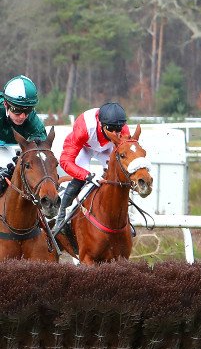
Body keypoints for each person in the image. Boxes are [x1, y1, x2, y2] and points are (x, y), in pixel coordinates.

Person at [52, 102, 131, 235]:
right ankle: (61, 218)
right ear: (101, 124)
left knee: (118, 176)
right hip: (84, 147)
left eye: (118, 129)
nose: (115, 133)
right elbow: (66, 161)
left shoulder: (123, 131)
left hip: (106, 149)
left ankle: (125, 219)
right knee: (80, 179)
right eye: (110, 129)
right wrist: (87, 175)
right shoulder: (84, 128)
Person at [0, 75, 47, 196]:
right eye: (17, 110)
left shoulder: (32, 120)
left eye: (28, 110)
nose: (22, 116)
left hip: (9, 148)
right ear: (5, 104)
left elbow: (41, 144)